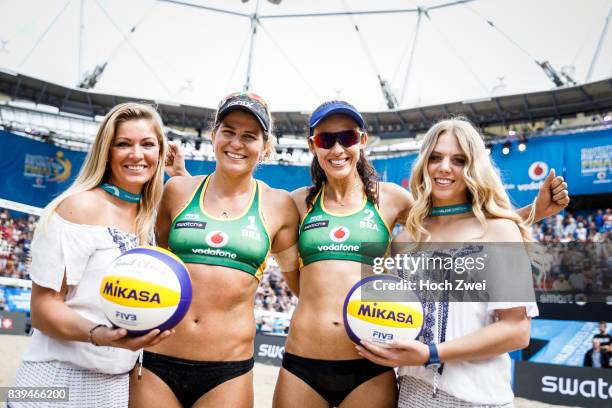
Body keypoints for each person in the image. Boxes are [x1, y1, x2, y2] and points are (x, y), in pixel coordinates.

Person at [273, 102, 569, 408]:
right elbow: (295, 281)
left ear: (361, 140)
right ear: (312, 145)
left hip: (371, 361)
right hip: (306, 360)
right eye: (325, 140)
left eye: (347, 137)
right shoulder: (297, 203)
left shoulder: (391, 198)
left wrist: (533, 212)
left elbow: (455, 224)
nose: (337, 148)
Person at [355, 118, 551, 406]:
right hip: (409, 393)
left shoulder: (499, 230)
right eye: (435, 157)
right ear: (424, 163)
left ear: (474, 167)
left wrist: (431, 353)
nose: (444, 167)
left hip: (476, 399)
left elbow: (517, 331)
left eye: (458, 160)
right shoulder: (407, 237)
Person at [129, 92, 300, 408]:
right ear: (213, 135)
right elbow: (159, 264)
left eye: (249, 136)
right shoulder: (177, 191)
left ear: (265, 147)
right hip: (158, 360)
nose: (236, 143)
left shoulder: (280, 206)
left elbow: (301, 284)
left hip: (228, 372)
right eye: (229, 132)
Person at [10, 103, 174, 408]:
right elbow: (43, 308)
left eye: (148, 144)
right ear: (106, 152)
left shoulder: (149, 222)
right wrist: (99, 334)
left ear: (160, 154)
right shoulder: (77, 207)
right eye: (124, 144)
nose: (137, 155)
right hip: (51, 382)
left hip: (113, 389)